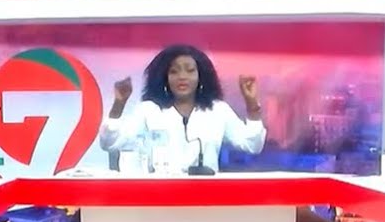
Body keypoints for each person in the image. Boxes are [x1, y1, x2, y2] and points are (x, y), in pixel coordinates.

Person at [98, 44, 266, 174]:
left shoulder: (218, 110)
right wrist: (119, 104)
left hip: (207, 197)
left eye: (190, 71)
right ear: (164, 77)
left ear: (201, 76)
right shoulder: (148, 110)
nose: (182, 77)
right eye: (174, 72)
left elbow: (252, 145)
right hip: (160, 197)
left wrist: (251, 103)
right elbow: (110, 143)